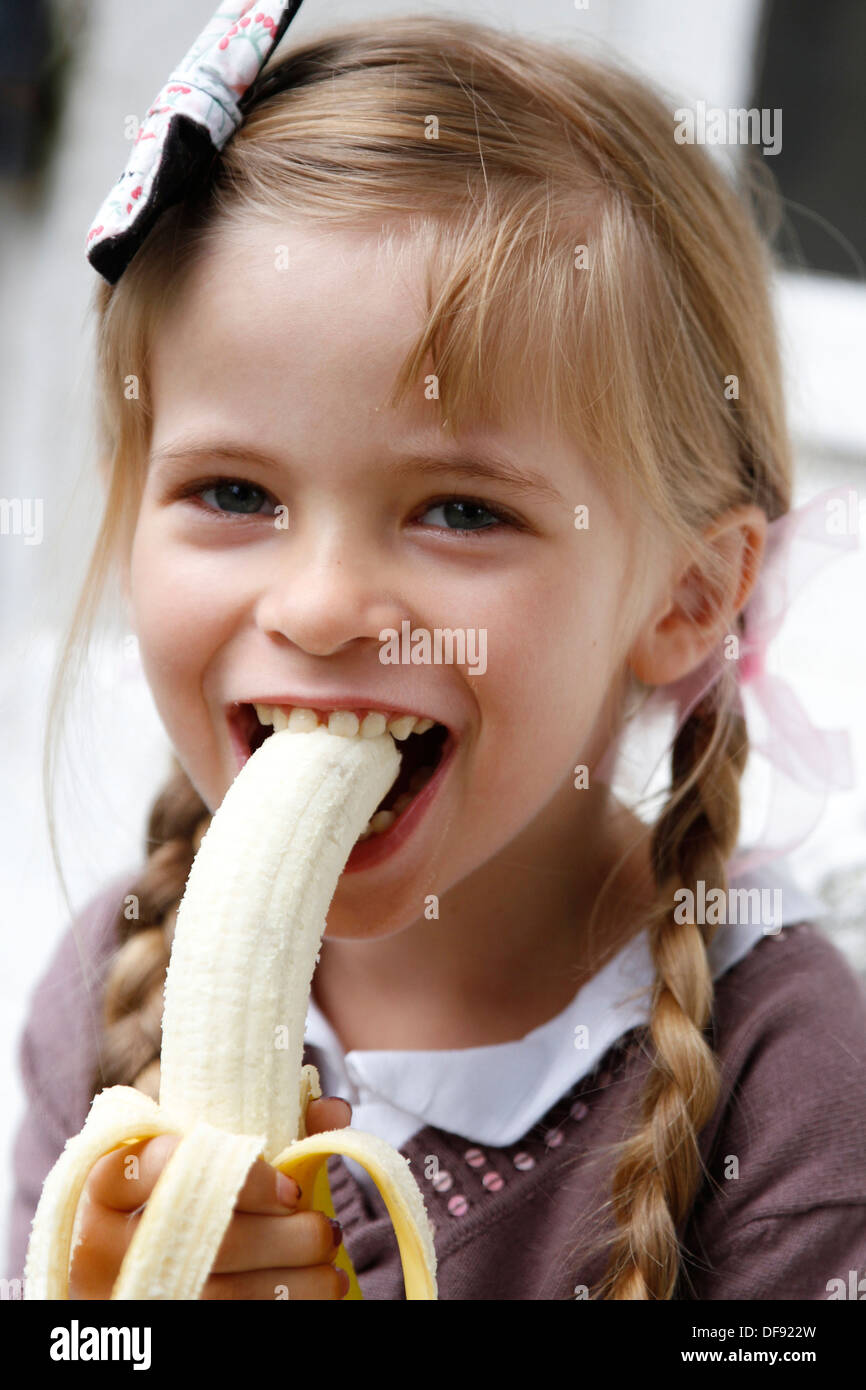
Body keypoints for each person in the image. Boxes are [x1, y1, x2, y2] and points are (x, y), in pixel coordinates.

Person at [6, 9, 866, 1300]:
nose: (322, 603)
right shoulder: (109, 986)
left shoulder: (784, 1071)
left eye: (459, 510)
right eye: (235, 492)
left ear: (686, 596)